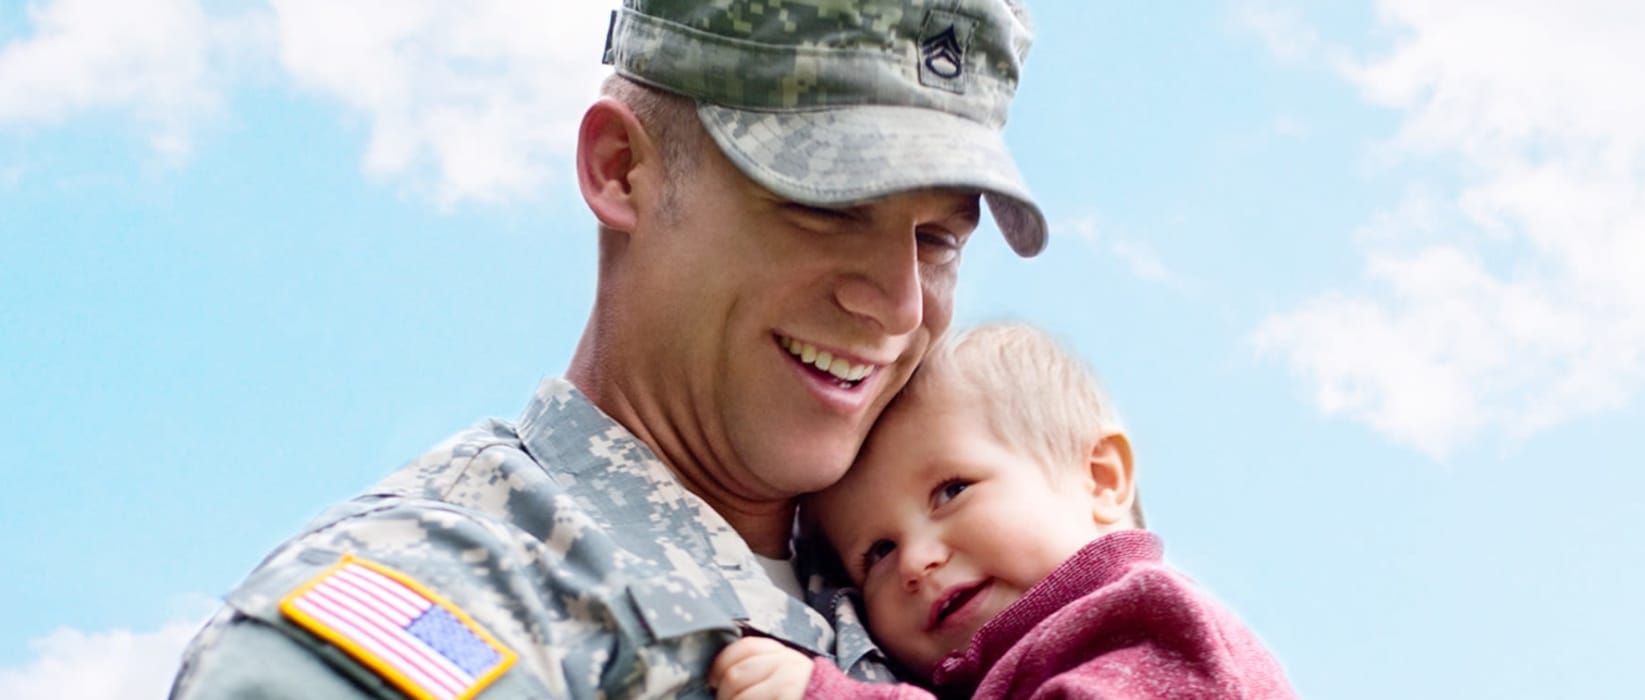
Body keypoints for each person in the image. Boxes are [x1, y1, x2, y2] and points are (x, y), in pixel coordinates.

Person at [171, 0, 1047, 696]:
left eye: (938, 240)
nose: (896, 305)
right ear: (620, 168)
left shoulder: (958, 589)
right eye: (828, 207)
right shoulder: (447, 600)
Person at [709, 324, 1296, 699]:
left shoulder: (1152, 619)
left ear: (1100, 479)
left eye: (951, 491)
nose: (915, 561)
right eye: (877, 553)